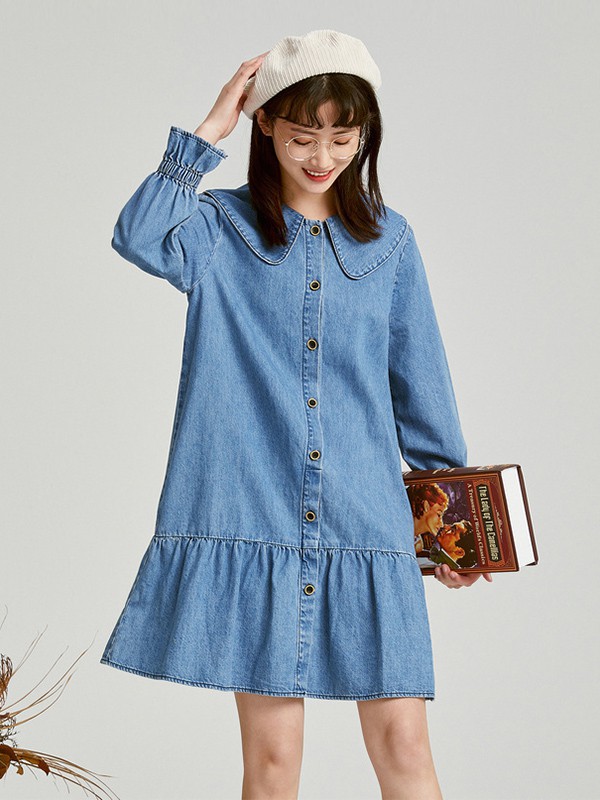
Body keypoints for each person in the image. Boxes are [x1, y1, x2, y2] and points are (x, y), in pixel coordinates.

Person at [100, 29, 493, 799]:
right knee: (274, 764)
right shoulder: (219, 229)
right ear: (267, 125)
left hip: (366, 525)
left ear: (365, 136)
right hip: (257, 519)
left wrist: (454, 526)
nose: (322, 155)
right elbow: (137, 235)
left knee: (406, 748)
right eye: (303, 135)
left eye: (343, 138)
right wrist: (207, 129)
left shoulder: (390, 243)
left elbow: (421, 386)